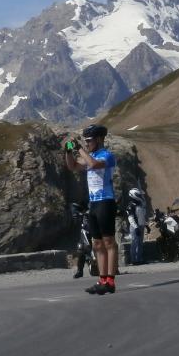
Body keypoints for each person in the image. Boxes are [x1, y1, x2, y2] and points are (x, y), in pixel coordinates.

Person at [63, 124, 119, 294]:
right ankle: (102, 280)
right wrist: (68, 151)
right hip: (93, 204)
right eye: (85, 141)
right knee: (96, 243)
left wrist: (79, 148)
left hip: (106, 202)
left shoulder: (106, 155)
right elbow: (72, 166)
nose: (87, 143)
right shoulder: (90, 155)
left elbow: (93, 165)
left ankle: (111, 280)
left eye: (89, 140)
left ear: (100, 139)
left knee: (109, 241)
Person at [125, 187, 149, 266]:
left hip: (141, 226)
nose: (140, 196)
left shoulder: (141, 204)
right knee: (134, 243)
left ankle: (139, 259)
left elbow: (142, 216)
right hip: (134, 227)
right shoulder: (131, 205)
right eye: (138, 195)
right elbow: (130, 218)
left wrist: (146, 225)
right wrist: (136, 227)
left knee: (140, 243)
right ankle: (134, 260)